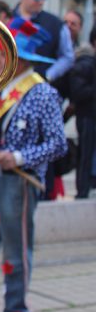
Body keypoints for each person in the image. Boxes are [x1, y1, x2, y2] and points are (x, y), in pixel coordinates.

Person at [0, 18, 67, 312]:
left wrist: (19, 157)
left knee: (15, 250)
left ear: (20, 58)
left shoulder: (42, 92)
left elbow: (58, 143)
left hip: (16, 182)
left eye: (2, 54)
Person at [12, 0, 74, 82]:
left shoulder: (55, 23)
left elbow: (68, 57)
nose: (41, 2)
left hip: (39, 85)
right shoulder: (7, 19)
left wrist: (48, 75)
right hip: (7, 85)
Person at [67, 26, 96, 199]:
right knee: (85, 154)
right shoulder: (84, 64)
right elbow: (78, 93)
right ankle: (83, 190)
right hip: (87, 117)